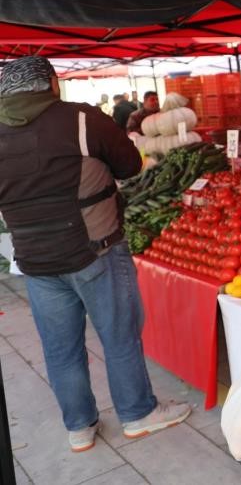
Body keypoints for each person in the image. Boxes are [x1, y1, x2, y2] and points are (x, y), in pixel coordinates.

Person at [0, 57, 190, 453]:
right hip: (95, 251)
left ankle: (79, 427)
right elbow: (130, 165)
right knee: (119, 335)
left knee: (60, 348)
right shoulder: (81, 119)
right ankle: (138, 413)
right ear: (51, 84)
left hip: (36, 261)